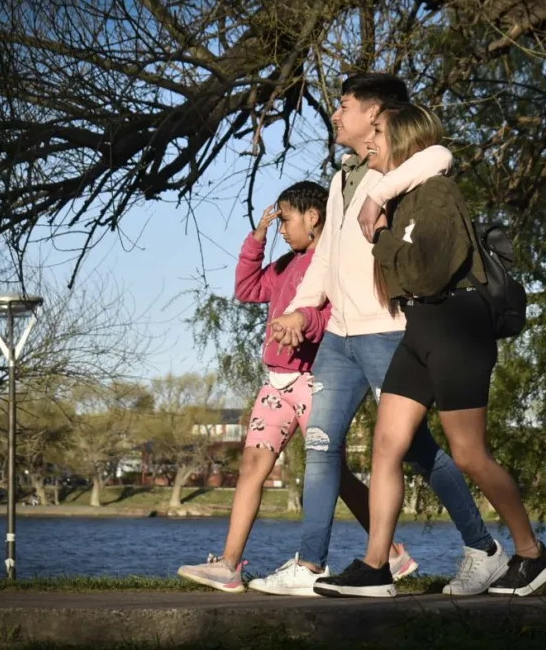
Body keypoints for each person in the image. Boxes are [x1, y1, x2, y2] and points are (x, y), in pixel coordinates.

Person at [252, 74, 508, 598]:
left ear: (374, 114)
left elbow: (440, 155)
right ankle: (310, 564)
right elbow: (325, 257)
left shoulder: (402, 165)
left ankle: (482, 547)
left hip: (388, 333)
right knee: (321, 444)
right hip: (338, 339)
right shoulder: (342, 178)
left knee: (416, 451)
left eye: (344, 105)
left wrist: (380, 193)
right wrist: (302, 309)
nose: (335, 114)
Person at [313, 104, 546, 598]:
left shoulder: (437, 194)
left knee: (469, 454)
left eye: (378, 133)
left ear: (402, 140)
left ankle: (533, 554)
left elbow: (424, 272)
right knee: (387, 446)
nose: (370, 142)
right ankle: (376, 568)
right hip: (421, 327)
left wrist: (379, 236)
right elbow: (404, 279)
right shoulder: (401, 196)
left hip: (457, 326)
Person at [176, 181, 416, 594]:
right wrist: (256, 240)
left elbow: (333, 316)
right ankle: (229, 566)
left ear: (313, 217)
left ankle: (392, 552)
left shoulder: (333, 264)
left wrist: (304, 322)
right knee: (252, 466)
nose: (282, 229)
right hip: (276, 382)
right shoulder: (285, 265)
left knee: (333, 472)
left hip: (312, 379)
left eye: (285, 220)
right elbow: (247, 289)